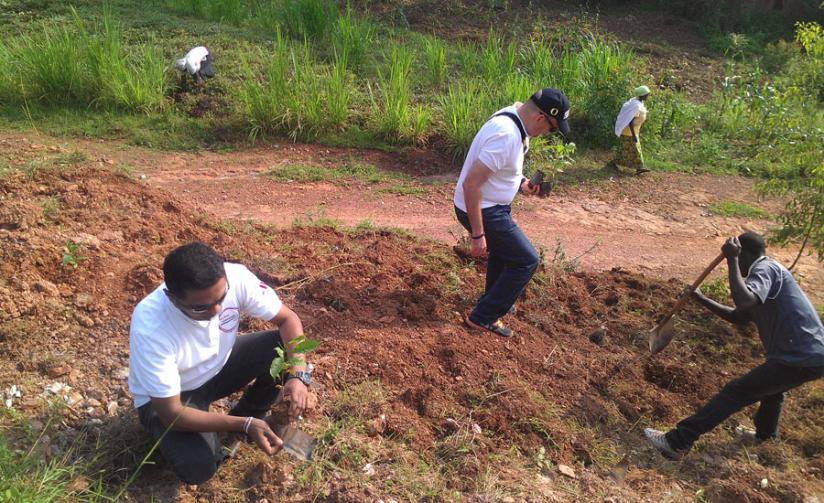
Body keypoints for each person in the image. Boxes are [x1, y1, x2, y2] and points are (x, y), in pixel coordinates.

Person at [128, 242, 312, 484]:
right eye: (201, 307)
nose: (216, 309)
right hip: (172, 398)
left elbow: (288, 319)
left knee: (282, 346)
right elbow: (171, 413)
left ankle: (250, 415)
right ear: (172, 299)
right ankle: (240, 427)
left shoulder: (235, 276)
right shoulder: (151, 327)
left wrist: (298, 375)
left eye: (222, 298)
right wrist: (243, 425)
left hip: (217, 366)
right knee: (200, 467)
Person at [644, 232, 824, 458]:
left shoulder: (765, 268)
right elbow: (741, 316)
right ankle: (765, 437)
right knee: (772, 391)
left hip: (799, 355)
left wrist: (731, 259)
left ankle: (677, 441)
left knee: (736, 392)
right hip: (808, 355)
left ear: (745, 254)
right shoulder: (768, 275)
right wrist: (701, 299)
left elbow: (745, 301)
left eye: (739, 259)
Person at [454, 87, 570, 337]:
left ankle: (492, 301)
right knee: (526, 260)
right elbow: (471, 184)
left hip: (491, 206)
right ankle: (483, 316)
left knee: (504, 253)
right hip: (483, 209)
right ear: (540, 118)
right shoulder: (506, 135)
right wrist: (477, 235)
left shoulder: (514, 117)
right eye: (551, 129)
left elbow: (501, 169)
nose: (546, 134)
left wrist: (522, 184)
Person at [611, 85, 651, 175]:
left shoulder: (637, 103)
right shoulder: (636, 106)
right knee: (634, 150)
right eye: (647, 94)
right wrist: (633, 135)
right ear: (642, 95)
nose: (648, 96)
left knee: (625, 150)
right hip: (629, 132)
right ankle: (639, 167)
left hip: (632, 131)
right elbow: (630, 122)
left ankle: (615, 163)